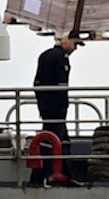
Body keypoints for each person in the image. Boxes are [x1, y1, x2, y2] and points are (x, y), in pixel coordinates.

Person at [31, 36, 79, 184]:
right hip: (56, 107)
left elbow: (37, 83)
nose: (75, 48)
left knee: (62, 141)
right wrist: (63, 104)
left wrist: (41, 102)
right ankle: (37, 178)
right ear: (65, 41)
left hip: (45, 105)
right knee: (51, 141)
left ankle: (68, 176)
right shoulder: (61, 57)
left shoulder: (44, 55)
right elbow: (61, 84)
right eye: (74, 44)